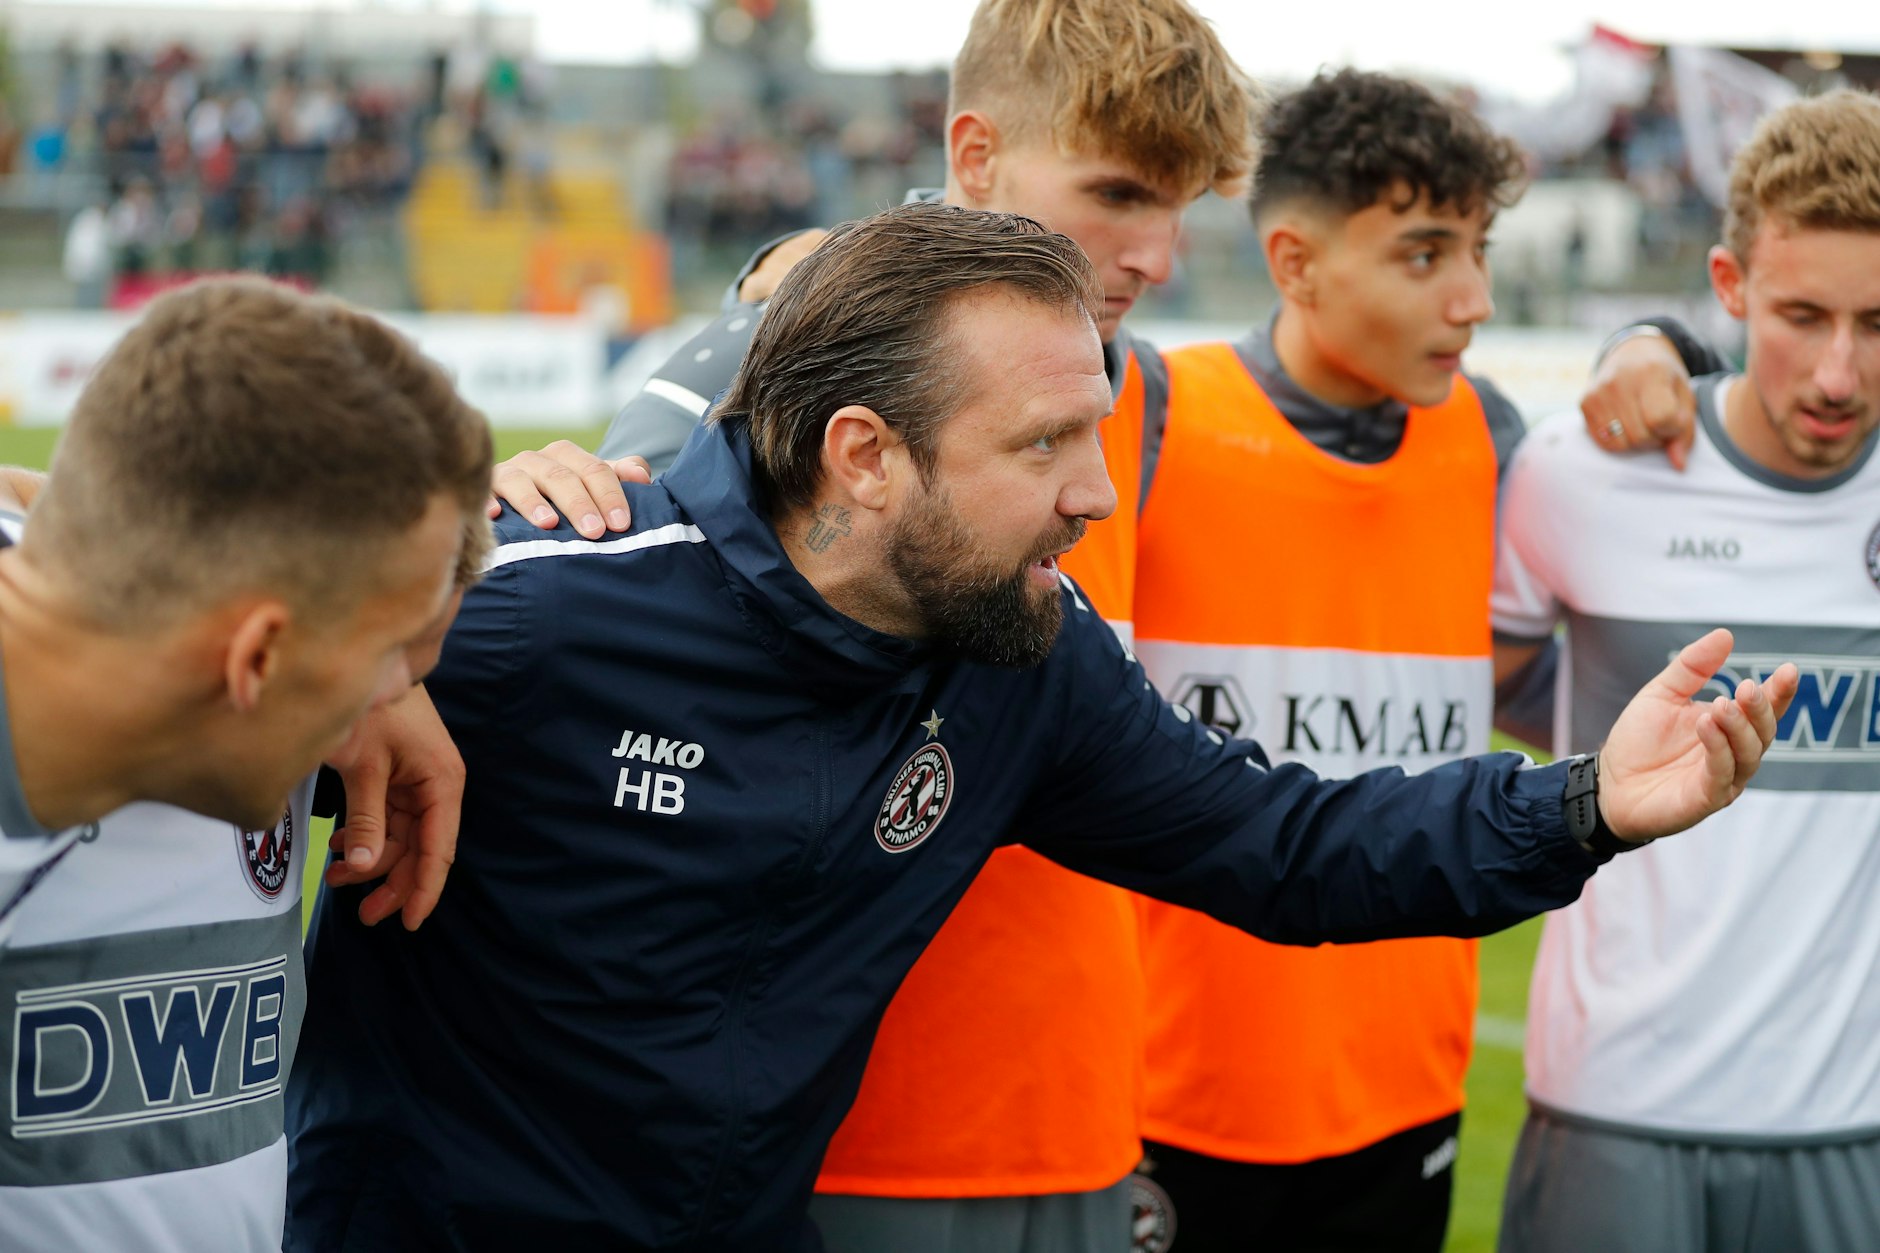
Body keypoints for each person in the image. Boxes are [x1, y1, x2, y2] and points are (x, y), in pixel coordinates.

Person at [286, 201, 1792, 1253]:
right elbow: (137, 656)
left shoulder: (1023, 659)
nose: (1098, 490)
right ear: (864, 456)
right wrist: (359, 658)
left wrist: (1585, 802)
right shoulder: (525, 608)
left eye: (1095, 427)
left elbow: (1283, 846)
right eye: (1043, 444)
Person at [492, 4, 1255, 1246]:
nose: (1158, 252)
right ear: (974, 157)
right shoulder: (783, 343)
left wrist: (1649, 344)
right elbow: (620, 587)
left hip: (1075, 1109)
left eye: (1184, 208)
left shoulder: (1137, 392)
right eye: (1119, 194)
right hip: (849, 1143)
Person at [1124, 69, 1534, 1252]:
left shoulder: (1494, 441)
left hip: (1405, 1090)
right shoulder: (1151, 417)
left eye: (1478, 248)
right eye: (1422, 255)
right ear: (1294, 262)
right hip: (1166, 1098)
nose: (1473, 297)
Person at [0, 276, 493, 1250]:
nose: (400, 694)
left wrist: (392, 670)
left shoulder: (126, 593)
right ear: (255, 658)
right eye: (392, 653)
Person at [1491, 89, 1880, 1252]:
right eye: (1798, 314)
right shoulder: (1580, 472)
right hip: (1610, 1103)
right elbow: (1478, 686)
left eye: (1877, 322)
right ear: (1725, 288)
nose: (1835, 372)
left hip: (1850, 1118)